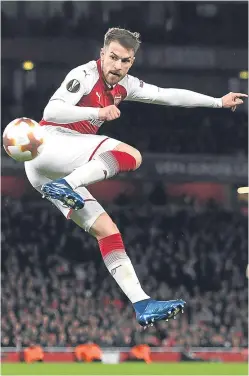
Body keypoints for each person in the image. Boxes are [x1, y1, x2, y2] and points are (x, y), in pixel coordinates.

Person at [25, 27, 247, 329]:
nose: (117, 66)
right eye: (113, 58)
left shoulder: (126, 85)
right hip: (50, 143)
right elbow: (52, 110)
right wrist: (99, 112)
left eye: (125, 61)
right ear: (102, 53)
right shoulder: (85, 74)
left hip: (47, 172)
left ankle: (142, 303)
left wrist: (218, 102)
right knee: (131, 156)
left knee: (107, 231)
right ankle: (67, 186)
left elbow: (166, 96)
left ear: (132, 61)